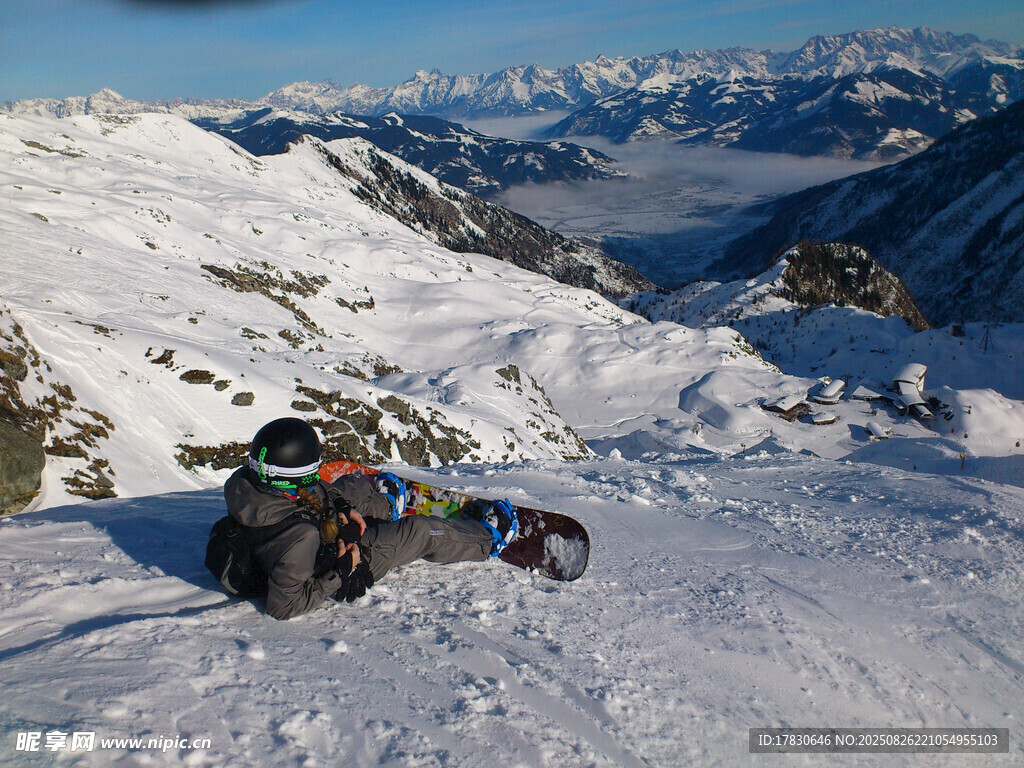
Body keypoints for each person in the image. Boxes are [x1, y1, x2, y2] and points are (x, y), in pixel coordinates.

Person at [224, 417, 518, 620]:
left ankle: (387, 504)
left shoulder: (247, 484)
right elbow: (284, 606)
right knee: (420, 531)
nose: (316, 474)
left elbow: (311, 488)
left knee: (349, 487)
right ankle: (487, 538)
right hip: (344, 560)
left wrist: (340, 504)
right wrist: (340, 572)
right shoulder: (300, 538)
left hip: (318, 531)